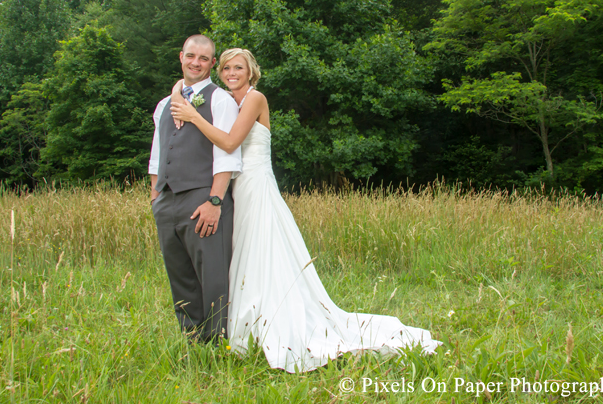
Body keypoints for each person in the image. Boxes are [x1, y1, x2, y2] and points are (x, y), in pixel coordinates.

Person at [170, 48, 441, 372]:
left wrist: (193, 115)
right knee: (243, 254)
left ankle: (272, 324)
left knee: (263, 253)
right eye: (226, 67)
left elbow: (229, 144)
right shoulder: (227, 103)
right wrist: (178, 93)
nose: (231, 72)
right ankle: (246, 323)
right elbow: (184, 86)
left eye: (238, 67)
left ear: (250, 71)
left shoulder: (255, 99)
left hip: (256, 186)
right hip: (236, 190)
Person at [148, 35, 242, 343]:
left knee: (213, 275)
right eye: (191, 56)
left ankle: (217, 341)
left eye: (203, 58)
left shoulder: (220, 100)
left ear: (212, 63)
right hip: (167, 200)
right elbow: (157, 154)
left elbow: (227, 153)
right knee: (181, 276)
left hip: (204, 198)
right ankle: (192, 338)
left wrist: (215, 200)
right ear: (181, 57)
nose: (196, 63)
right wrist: (155, 198)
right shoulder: (164, 104)